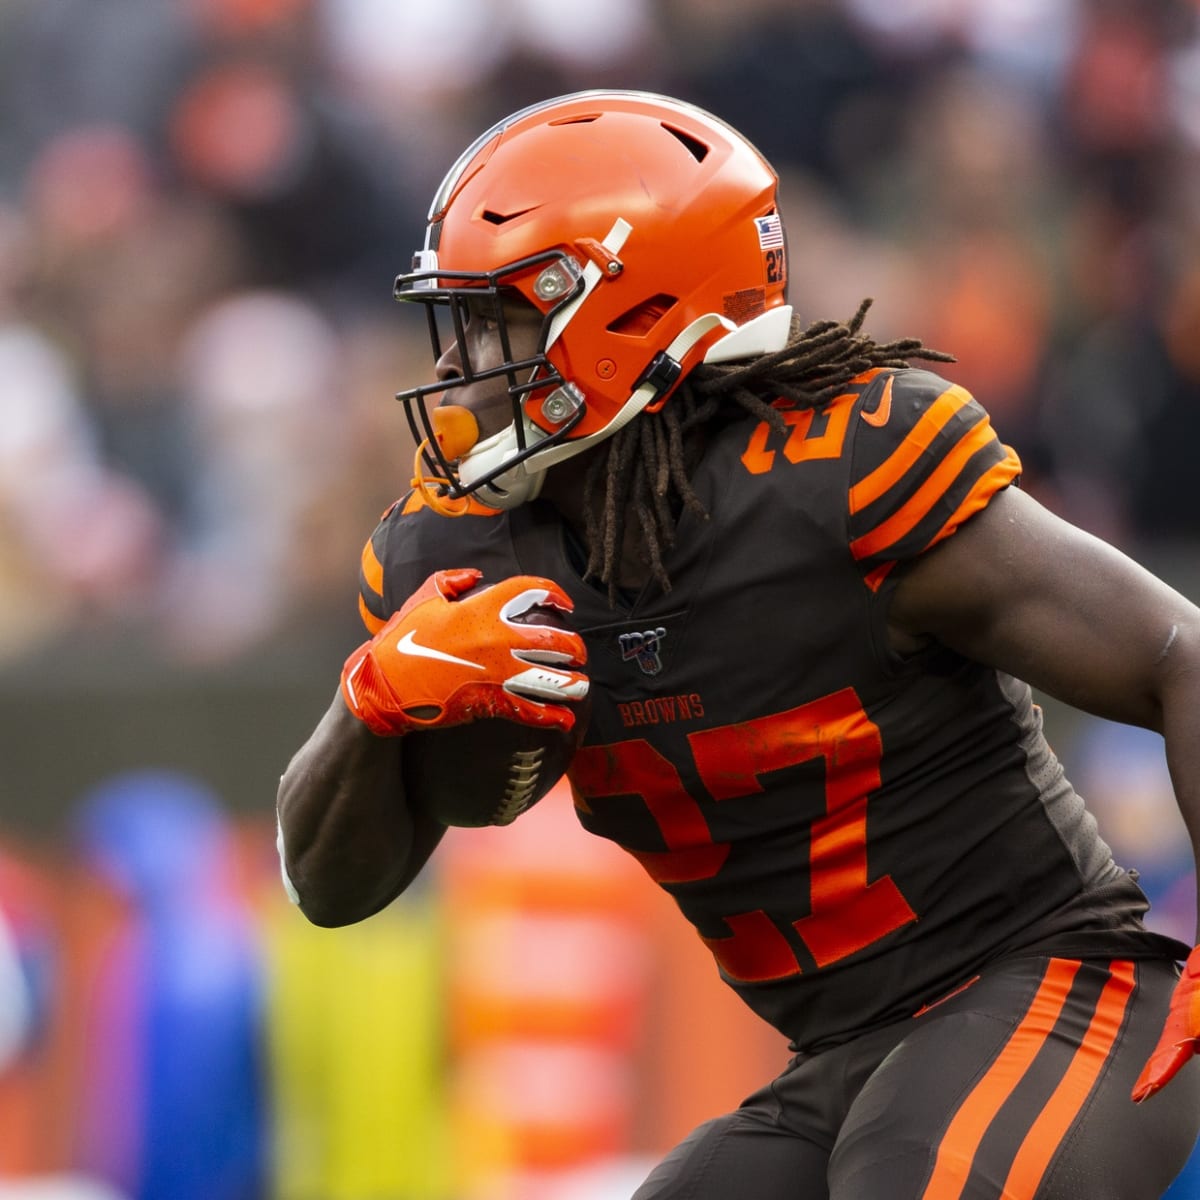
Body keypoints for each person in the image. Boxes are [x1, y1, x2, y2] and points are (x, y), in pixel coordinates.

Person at [275, 91, 1200, 1198]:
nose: (468, 364)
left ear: (632, 312)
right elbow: (333, 888)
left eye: (503, 320)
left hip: (1056, 989)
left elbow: (1175, 654)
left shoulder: (836, 479)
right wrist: (370, 699)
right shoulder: (458, 553)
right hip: (841, 1058)